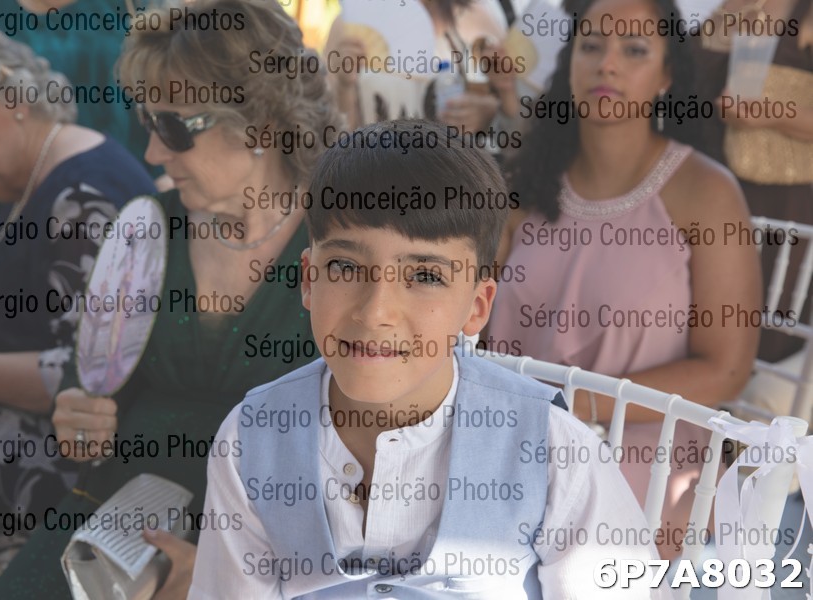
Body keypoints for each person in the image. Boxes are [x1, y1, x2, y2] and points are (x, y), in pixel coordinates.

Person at [189, 120, 665, 599]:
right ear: (309, 280)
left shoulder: (556, 452)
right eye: (346, 267)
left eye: (425, 276)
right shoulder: (250, 439)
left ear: (477, 306)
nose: (375, 312)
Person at [0, 0, 340, 597]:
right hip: (124, 521)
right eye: (147, 121)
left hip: (282, 535)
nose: (151, 153)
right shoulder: (147, 227)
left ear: (262, 122)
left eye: (174, 128)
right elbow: (93, 376)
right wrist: (78, 412)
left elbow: (376, 442)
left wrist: (232, 566)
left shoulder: (344, 240)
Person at [488, 0, 761, 558]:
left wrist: (572, 408)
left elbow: (727, 368)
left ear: (666, 75)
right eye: (591, 46)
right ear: (569, 63)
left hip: (644, 454)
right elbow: (471, 322)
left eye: (634, 50)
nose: (607, 64)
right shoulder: (524, 186)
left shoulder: (706, 193)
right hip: (508, 438)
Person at [0, 16, 155, 580]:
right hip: (3, 425)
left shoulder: (84, 195)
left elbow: (84, 377)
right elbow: (19, 310)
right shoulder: (43, 173)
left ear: (14, 93)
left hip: (60, 457)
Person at [0, 0, 164, 278]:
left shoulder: (134, 6)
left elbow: (170, 97)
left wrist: (167, 190)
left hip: (126, 194)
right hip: (6, 204)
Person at [694, 0, 813, 363]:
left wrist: (773, 115)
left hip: (781, 200)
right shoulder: (707, 8)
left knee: (763, 328)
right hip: (702, 187)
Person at [325, 0, 521, 137]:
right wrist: (344, 87)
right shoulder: (351, 26)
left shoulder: (478, 19)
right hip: (377, 177)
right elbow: (330, 135)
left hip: (457, 176)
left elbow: (515, 122)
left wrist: (487, 112)